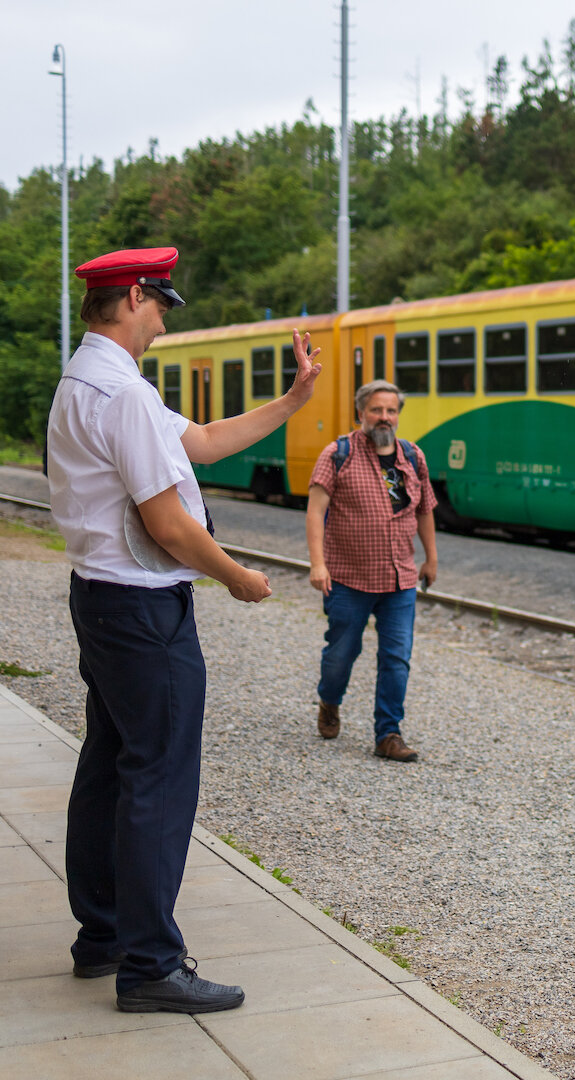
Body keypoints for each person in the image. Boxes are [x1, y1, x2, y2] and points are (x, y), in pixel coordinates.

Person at [47, 246, 322, 1013]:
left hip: (99, 601)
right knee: (158, 781)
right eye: (162, 304)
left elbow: (196, 442)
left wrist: (295, 400)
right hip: (143, 612)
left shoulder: (83, 380)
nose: (165, 320)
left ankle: (102, 935)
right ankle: (152, 965)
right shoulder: (124, 395)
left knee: (109, 767)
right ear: (134, 296)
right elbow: (169, 521)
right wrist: (236, 575)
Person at [305, 380, 438, 762]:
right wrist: (318, 564)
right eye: (377, 410)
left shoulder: (412, 457)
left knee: (397, 657)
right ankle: (329, 701)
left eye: (391, 410)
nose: (385, 417)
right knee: (341, 655)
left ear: (398, 415)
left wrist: (431, 557)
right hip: (349, 578)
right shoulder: (338, 454)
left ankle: (388, 734)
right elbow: (315, 511)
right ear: (360, 412)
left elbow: (425, 509)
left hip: (400, 580)